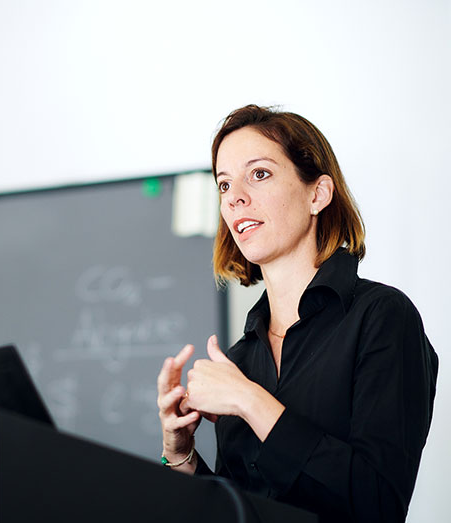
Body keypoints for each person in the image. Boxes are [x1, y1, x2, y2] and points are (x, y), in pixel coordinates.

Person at [157, 104, 438, 523]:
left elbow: (379, 505)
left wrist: (251, 401)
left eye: (260, 174)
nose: (234, 197)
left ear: (317, 194)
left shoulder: (382, 317)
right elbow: (237, 511)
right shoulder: (238, 360)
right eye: (223, 184)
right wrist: (180, 457)